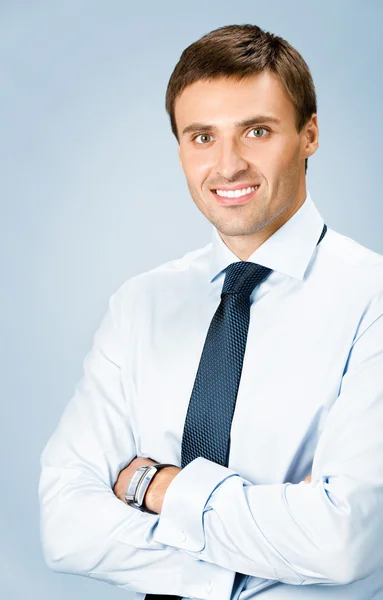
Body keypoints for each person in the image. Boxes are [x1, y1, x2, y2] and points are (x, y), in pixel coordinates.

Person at [38, 23, 383, 600]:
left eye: (256, 131)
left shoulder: (373, 298)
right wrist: (253, 562)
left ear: (309, 134)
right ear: (179, 148)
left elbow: (345, 540)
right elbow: (66, 528)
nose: (227, 166)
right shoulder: (138, 304)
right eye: (201, 137)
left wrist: (157, 487)